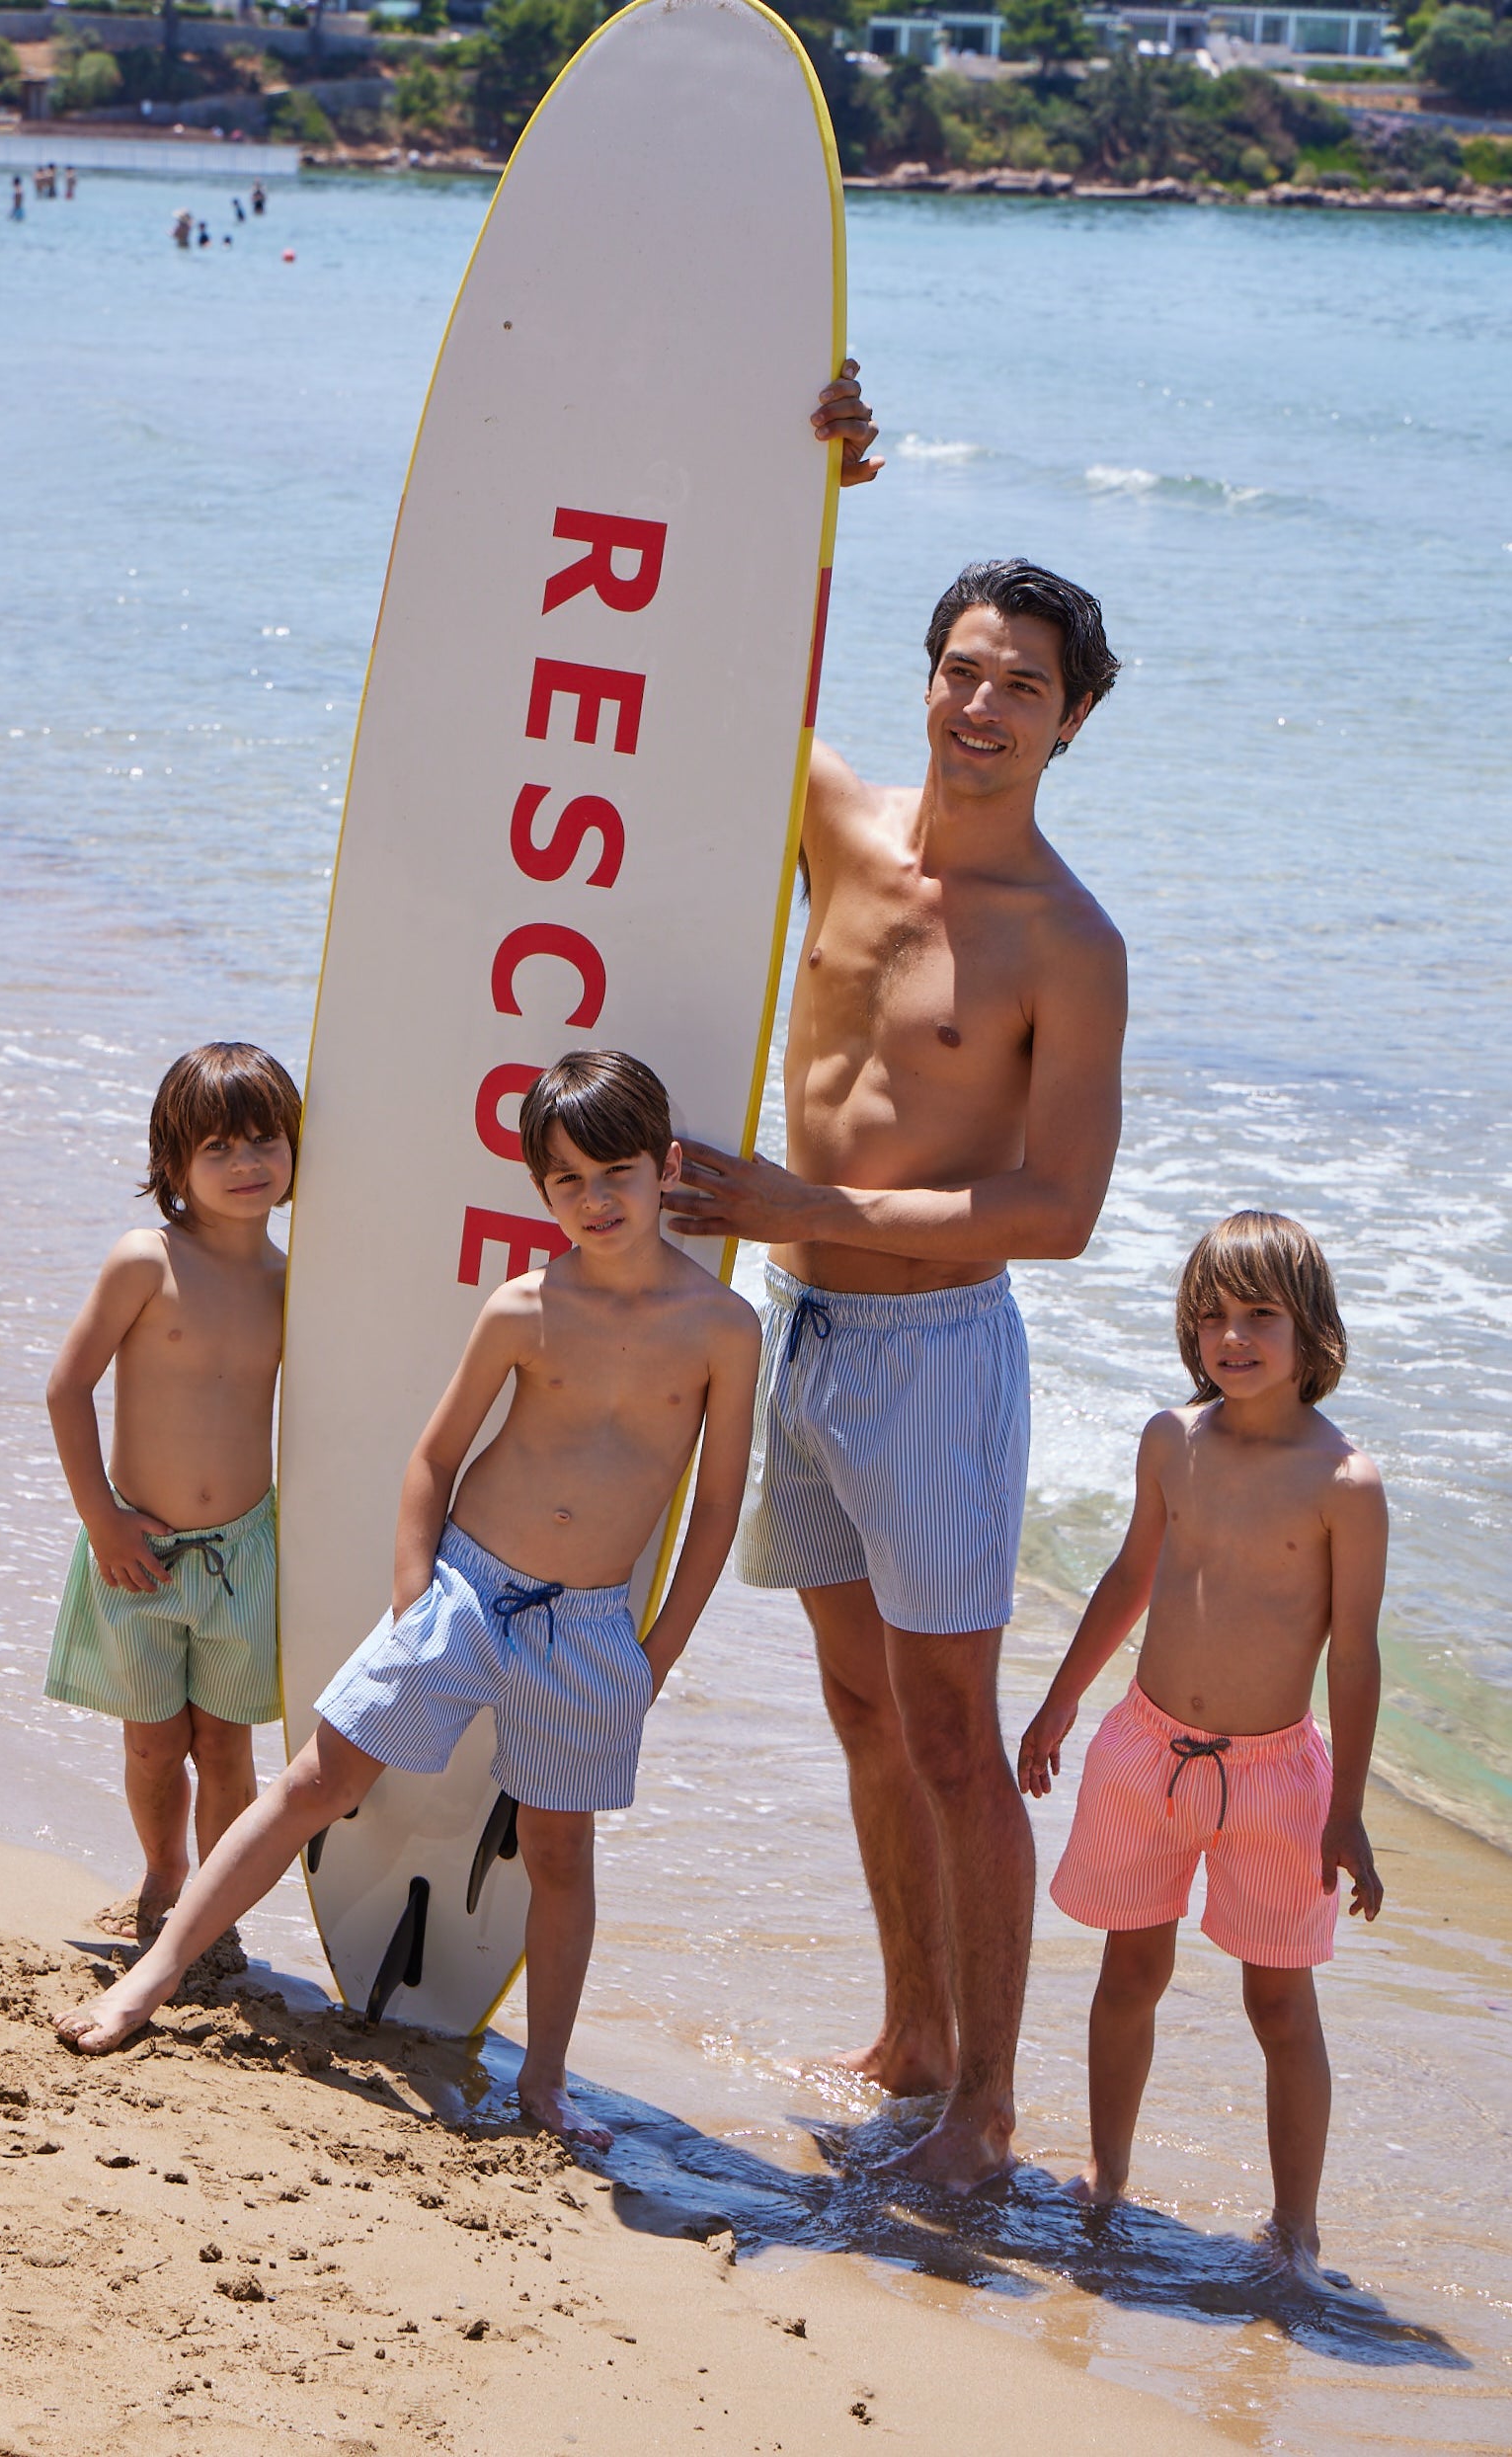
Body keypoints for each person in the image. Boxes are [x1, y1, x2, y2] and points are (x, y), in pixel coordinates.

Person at [665, 383, 1128, 2188]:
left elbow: (1060, 1207)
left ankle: (992, 2113)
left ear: (1072, 720)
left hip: (935, 1356)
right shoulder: (838, 825)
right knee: (862, 1715)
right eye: (961, 666)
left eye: (1023, 682)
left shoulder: (1065, 941)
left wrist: (799, 1190)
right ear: (925, 674)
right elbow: (720, 661)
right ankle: (911, 2035)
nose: (983, 701)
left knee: (949, 1732)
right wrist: (809, 474)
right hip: (807, 1336)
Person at [53, 1050, 761, 2149]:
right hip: (468, 1588)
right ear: (540, 1194)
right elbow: (432, 1460)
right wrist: (411, 1594)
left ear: (665, 1167)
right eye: (566, 1181)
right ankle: (151, 1975)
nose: (595, 1198)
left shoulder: (723, 1326)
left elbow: (714, 1506)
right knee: (317, 1779)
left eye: (616, 1171)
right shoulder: (525, 1303)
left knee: (562, 1850)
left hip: (588, 1626)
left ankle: (547, 2086)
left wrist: (656, 1651)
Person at [1019, 1212, 1385, 2283]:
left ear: (1308, 1327)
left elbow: (1355, 1658)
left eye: (1258, 1314)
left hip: (1276, 1778)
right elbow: (1129, 1577)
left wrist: (1348, 1807)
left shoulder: (1344, 1481)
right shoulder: (1169, 1439)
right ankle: (1106, 2170)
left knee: (1278, 2001)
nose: (1231, 1336)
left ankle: (1295, 2233)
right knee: (1128, 1968)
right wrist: (1058, 1704)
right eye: (1210, 1316)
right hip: (1146, 1749)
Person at [43, 1044, 301, 1946]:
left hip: (244, 1554)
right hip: (135, 1553)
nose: (247, 1164)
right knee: (154, 1744)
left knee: (227, 1746)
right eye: (220, 1147)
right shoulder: (145, 1261)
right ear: (172, 1165)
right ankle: (162, 1872)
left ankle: (213, 1917)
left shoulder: (296, 1285)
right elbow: (66, 1388)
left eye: (266, 1141)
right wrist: (101, 1520)